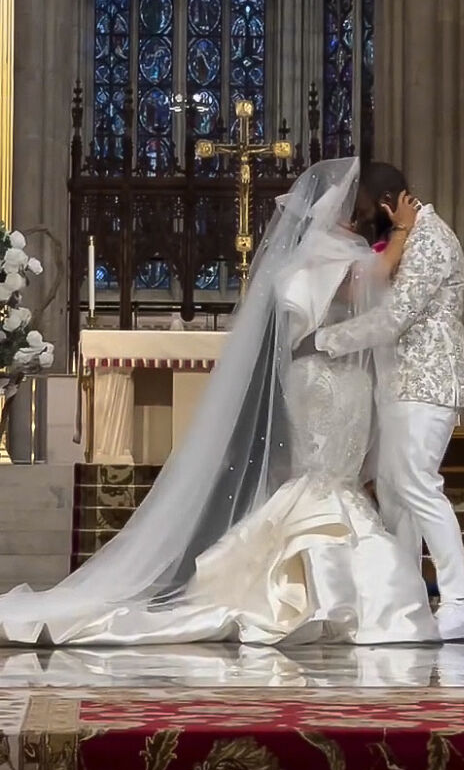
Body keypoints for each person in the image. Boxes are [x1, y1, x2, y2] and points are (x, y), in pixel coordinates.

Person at [0, 158, 440, 647]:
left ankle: (322, 585)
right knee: (321, 476)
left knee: (334, 476)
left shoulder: (342, 245)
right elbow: (360, 284)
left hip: (345, 379)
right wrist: (401, 234)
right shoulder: (322, 247)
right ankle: (313, 586)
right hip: (321, 383)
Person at [316, 161, 464, 641]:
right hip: (400, 383)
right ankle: (408, 602)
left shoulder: (430, 239)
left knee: (417, 486)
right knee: (393, 491)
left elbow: (395, 318)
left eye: (370, 211)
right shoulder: (410, 235)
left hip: (428, 382)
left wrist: (326, 341)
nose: (368, 221)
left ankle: (460, 600)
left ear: (389, 203)